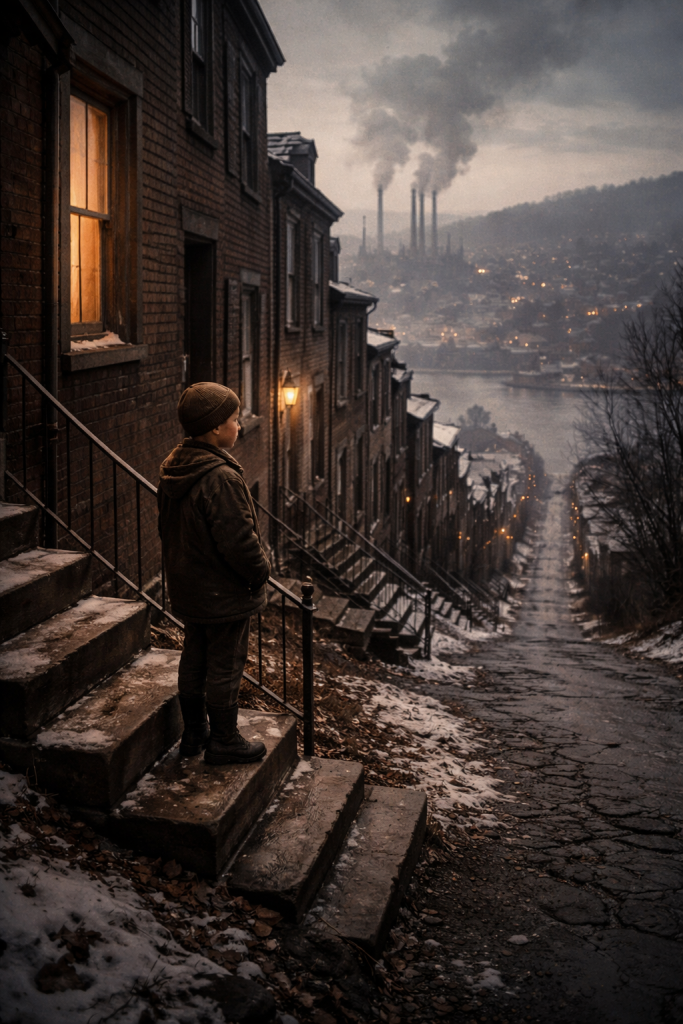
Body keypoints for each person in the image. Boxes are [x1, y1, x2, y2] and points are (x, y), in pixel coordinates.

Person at [157, 382, 270, 764]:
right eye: (235, 420)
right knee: (224, 665)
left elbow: (166, 529)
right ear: (215, 428)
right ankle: (224, 740)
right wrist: (260, 573)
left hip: (190, 589)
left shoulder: (176, 465)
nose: (239, 426)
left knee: (194, 657)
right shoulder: (219, 477)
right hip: (223, 593)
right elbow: (239, 541)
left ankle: (194, 734)